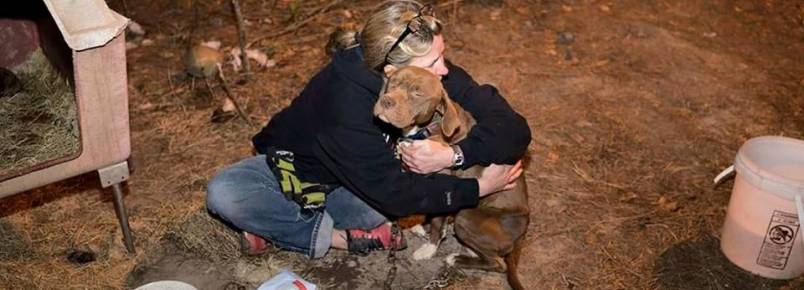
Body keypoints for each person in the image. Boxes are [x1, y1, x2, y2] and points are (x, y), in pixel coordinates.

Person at [206, 0, 531, 259]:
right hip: (302, 171)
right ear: (392, 71)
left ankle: (282, 223)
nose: (445, 69)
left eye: (442, 56)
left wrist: (456, 154)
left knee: (385, 202)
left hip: (362, 187)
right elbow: (398, 195)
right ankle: (334, 238)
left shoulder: (423, 72)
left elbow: (514, 130)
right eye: (435, 62)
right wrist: (477, 190)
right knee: (225, 192)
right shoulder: (343, 102)